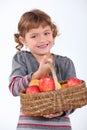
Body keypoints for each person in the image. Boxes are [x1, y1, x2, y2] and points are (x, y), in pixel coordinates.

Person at [8, 9, 76, 130]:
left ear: (53, 33)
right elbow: (14, 88)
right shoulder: (21, 59)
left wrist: (61, 111)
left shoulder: (65, 63)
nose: (42, 40)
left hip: (60, 127)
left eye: (46, 33)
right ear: (23, 40)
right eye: (34, 36)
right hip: (30, 127)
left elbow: (73, 97)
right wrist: (38, 74)